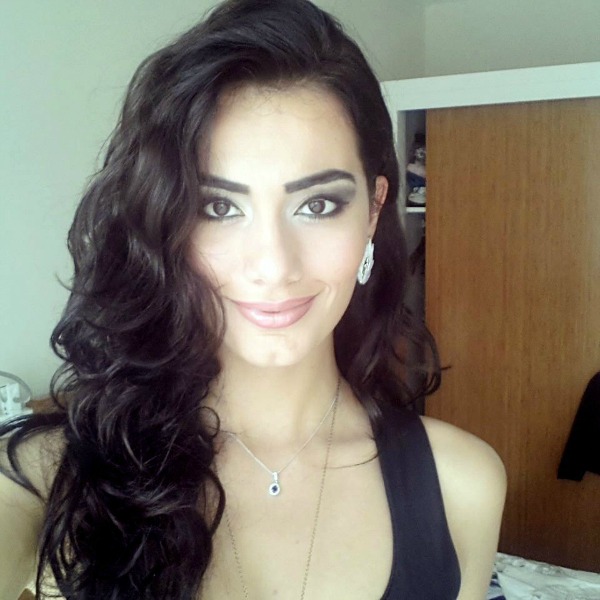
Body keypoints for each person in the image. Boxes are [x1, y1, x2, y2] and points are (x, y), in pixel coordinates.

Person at [0, 0, 506, 598]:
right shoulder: (43, 479)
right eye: (218, 207)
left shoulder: (463, 484)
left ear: (373, 210)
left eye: (317, 204)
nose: (273, 266)